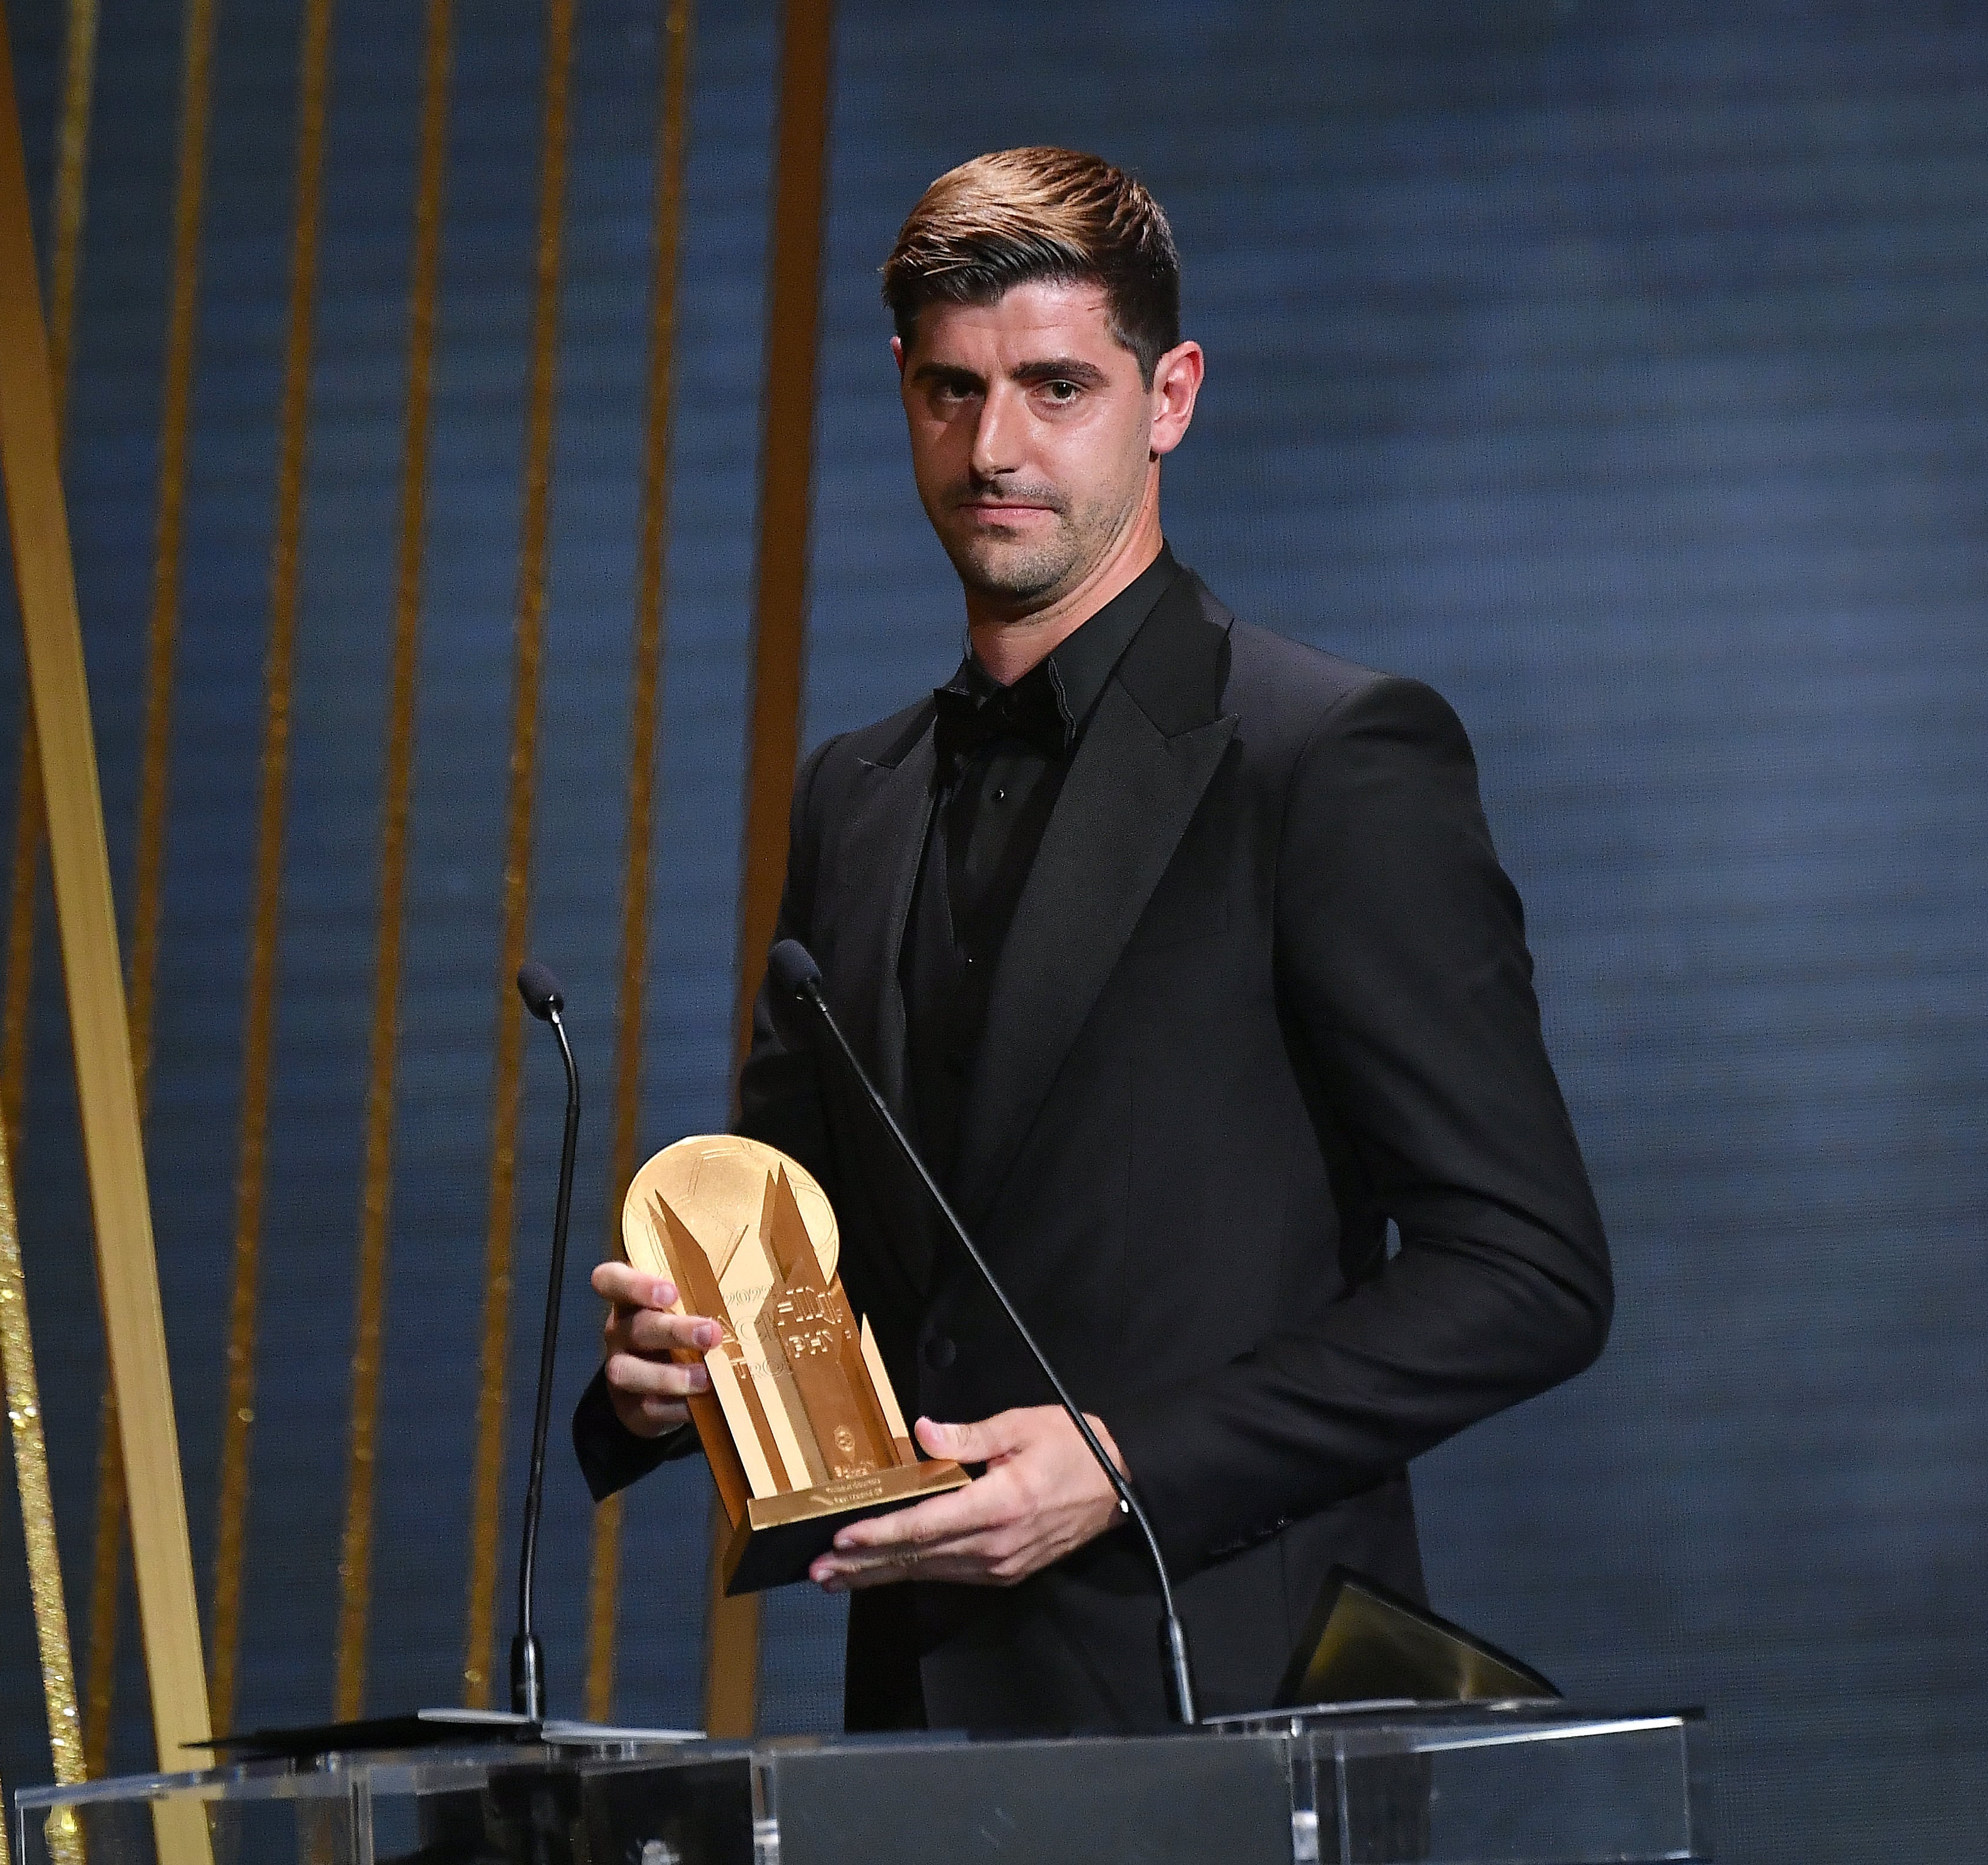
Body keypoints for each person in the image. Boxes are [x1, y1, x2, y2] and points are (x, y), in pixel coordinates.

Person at [573, 146, 1611, 1731]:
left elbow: (1528, 1270)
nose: (996, 447)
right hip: (920, 1734)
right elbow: (819, 1258)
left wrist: (1121, 1463)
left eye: (1057, 386)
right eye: (950, 391)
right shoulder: (855, 797)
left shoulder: (1329, 757)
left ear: (1170, 395)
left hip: (1234, 1711)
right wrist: (677, 1378)